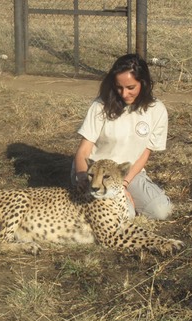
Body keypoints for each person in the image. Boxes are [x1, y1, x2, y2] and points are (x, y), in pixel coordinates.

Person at [72, 53, 172, 220]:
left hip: (129, 173)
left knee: (161, 211)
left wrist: (124, 184)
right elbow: (84, 151)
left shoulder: (157, 110)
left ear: (144, 83)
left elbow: (145, 153)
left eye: (131, 87)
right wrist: (83, 176)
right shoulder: (100, 106)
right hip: (97, 172)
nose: (124, 94)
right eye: (119, 87)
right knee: (125, 216)